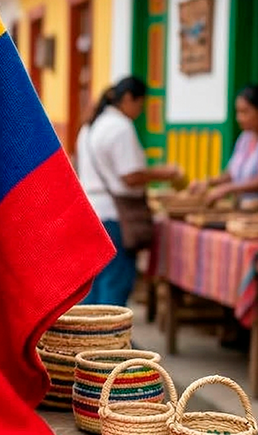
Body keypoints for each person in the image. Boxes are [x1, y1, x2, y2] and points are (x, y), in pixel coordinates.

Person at [75, 76, 183, 306]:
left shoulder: (89, 126)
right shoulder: (120, 127)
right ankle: (110, 329)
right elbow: (130, 176)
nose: (140, 111)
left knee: (93, 285)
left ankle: (86, 329)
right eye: (140, 104)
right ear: (128, 99)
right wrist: (165, 173)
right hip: (113, 215)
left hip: (90, 210)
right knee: (115, 283)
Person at [189, 84, 258, 206]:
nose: (239, 118)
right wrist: (208, 182)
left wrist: (226, 189)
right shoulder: (245, 137)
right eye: (238, 112)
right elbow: (232, 173)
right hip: (244, 206)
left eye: (245, 112)